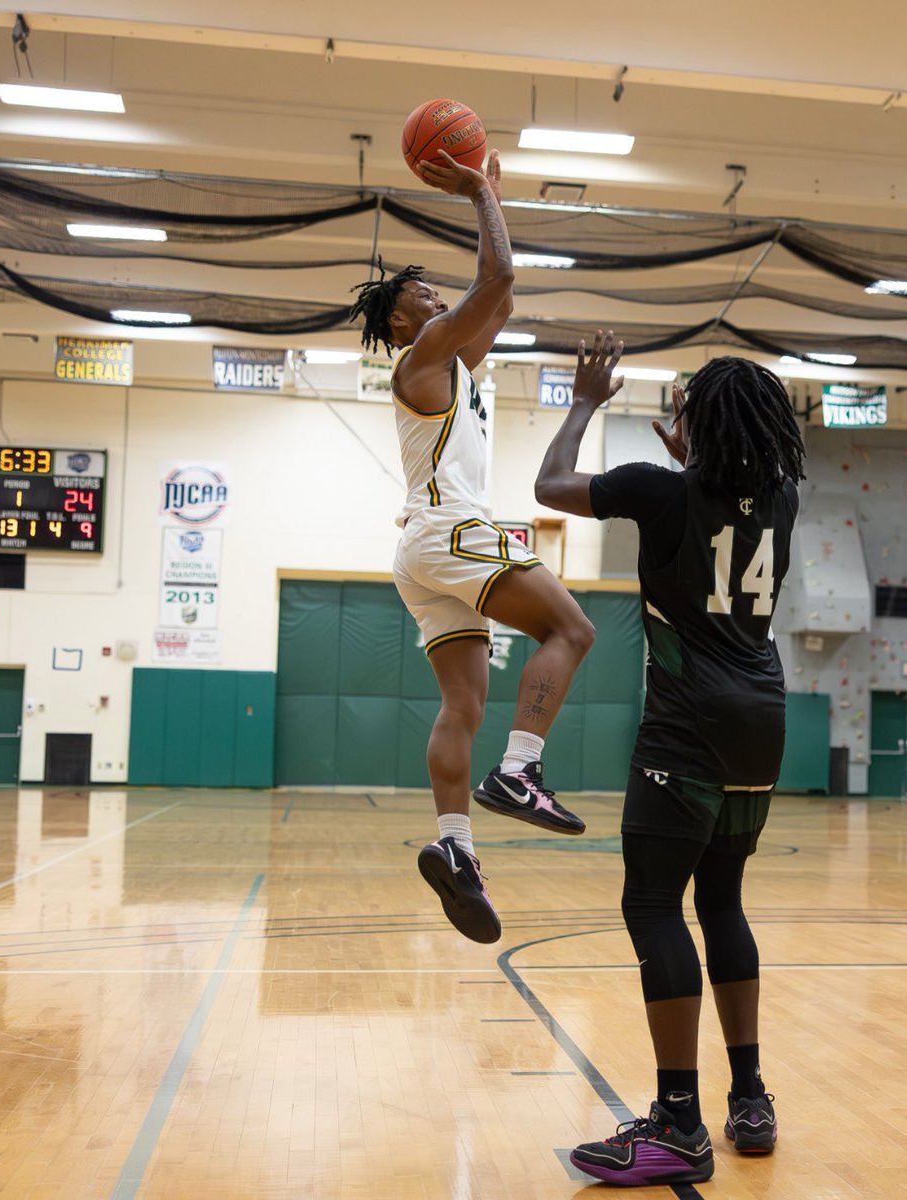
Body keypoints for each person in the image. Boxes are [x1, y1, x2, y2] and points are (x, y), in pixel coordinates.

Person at [535, 330, 805, 1186]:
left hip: (688, 721)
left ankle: (680, 1122)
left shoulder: (659, 493)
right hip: (763, 717)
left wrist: (584, 401)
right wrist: (703, 450)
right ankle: (750, 1098)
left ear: (696, 424)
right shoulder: (785, 498)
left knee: (653, 904)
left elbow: (548, 486)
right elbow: (727, 492)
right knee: (721, 900)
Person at [347, 149, 595, 945]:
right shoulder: (422, 357)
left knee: (462, 704)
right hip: (454, 531)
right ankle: (519, 770)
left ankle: (455, 847)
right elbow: (498, 280)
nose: (436, 294)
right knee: (572, 630)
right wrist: (482, 190)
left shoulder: (452, 363)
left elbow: (500, 299)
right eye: (422, 293)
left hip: (422, 549)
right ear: (398, 321)